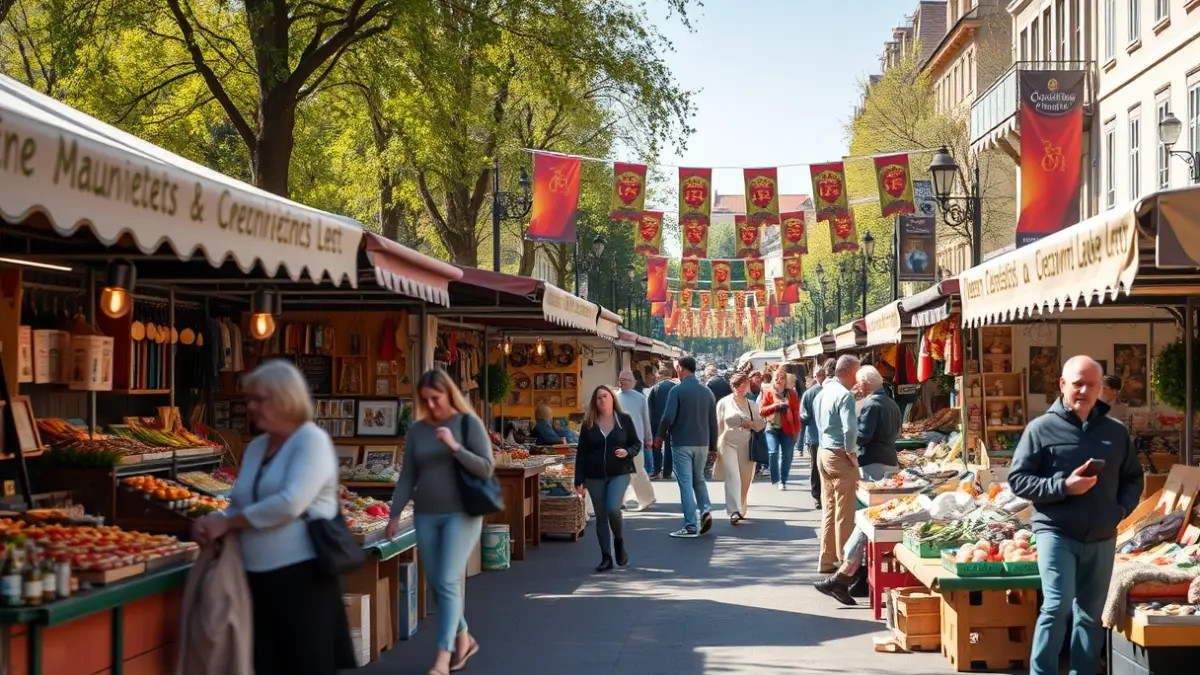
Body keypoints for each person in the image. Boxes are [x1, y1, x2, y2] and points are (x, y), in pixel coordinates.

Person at [192, 360, 354, 675]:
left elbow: (289, 504)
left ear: (285, 398)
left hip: (303, 580)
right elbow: (240, 501)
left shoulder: (312, 442)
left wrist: (228, 523)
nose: (251, 406)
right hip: (254, 579)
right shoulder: (257, 448)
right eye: (249, 399)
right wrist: (214, 518)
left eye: (259, 399)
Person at [1008, 356, 1142, 675]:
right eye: (1077, 383)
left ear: (1101, 388)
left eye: (1091, 384)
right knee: (1057, 605)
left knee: (1090, 615)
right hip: (1056, 532)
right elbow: (1018, 480)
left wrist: (1119, 511)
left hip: (1102, 534)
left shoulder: (1115, 432)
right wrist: (1063, 487)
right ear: (1062, 385)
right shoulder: (1040, 429)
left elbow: (1134, 477)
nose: (1084, 390)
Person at [386, 369, 494, 675]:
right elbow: (408, 476)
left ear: (449, 394)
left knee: (447, 579)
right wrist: (394, 515)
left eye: (436, 398)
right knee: (436, 583)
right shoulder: (418, 431)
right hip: (426, 514)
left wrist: (455, 448)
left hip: (462, 513)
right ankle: (464, 639)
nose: (431, 405)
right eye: (425, 400)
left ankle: (442, 658)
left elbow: (486, 469)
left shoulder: (467, 424)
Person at [813, 365, 902, 604]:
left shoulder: (872, 405)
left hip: (872, 462)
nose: (857, 387)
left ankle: (850, 573)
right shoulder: (891, 403)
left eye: (860, 384)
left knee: (866, 518)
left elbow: (862, 434)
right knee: (873, 518)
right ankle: (855, 576)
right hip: (889, 459)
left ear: (866, 384)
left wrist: (845, 443)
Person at [574, 385, 642, 572]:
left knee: (613, 508)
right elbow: (581, 452)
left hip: (619, 472)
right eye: (598, 398)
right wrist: (578, 479)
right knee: (601, 516)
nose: (601, 400)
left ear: (612, 398)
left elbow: (636, 443)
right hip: (594, 475)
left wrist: (627, 451)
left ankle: (618, 541)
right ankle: (606, 557)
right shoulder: (588, 423)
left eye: (605, 396)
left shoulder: (624, 420)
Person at [655, 355, 719, 538]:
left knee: (685, 482)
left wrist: (660, 436)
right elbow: (712, 422)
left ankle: (690, 525)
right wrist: (713, 447)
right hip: (702, 443)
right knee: (698, 479)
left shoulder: (677, 391)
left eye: (677, 368)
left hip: (681, 442)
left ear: (681, 369)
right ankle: (705, 510)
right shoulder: (707, 391)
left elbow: (668, 417)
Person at [813, 354, 861, 573]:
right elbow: (850, 429)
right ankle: (845, 563)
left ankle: (827, 558)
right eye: (857, 373)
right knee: (845, 510)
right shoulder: (844, 395)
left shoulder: (822, 393)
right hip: (838, 455)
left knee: (830, 508)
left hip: (823, 452)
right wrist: (852, 452)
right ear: (850, 372)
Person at [717, 373, 766, 524]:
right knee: (733, 477)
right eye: (737, 385)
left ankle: (741, 506)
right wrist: (716, 448)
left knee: (745, 479)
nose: (740, 388)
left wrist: (750, 424)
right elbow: (719, 426)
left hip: (747, 445)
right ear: (732, 386)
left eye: (743, 385)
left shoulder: (753, 405)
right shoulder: (723, 403)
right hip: (728, 444)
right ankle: (734, 510)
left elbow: (761, 424)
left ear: (748, 386)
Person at [616, 370, 657, 511]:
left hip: (635, 440)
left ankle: (647, 499)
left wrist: (648, 438)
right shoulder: (614, 397)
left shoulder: (640, 398)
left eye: (625, 379)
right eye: (620, 379)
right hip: (618, 440)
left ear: (632, 381)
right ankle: (619, 500)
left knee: (637, 470)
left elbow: (646, 419)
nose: (622, 381)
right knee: (618, 472)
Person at [758, 368, 801, 491]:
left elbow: (796, 413)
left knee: (787, 455)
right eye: (776, 378)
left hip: (788, 429)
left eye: (782, 378)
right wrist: (775, 406)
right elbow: (761, 411)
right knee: (773, 453)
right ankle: (775, 478)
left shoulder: (792, 394)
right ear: (773, 379)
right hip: (772, 428)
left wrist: (796, 432)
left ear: (785, 380)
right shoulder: (769, 393)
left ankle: (783, 481)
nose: (779, 380)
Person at [799, 362, 828, 506]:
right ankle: (825, 495)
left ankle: (817, 496)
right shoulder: (830, 391)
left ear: (815, 377)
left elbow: (803, 417)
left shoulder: (808, 393)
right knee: (828, 467)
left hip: (814, 436)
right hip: (828, 437)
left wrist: (799, 444)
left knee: (816, 467)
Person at [646, 364, 677, 480]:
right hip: (672, 422)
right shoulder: (676, 387)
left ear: (660, 375)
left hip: (657, 422)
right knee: (669, 446)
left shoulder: (655, 388)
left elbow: (649, 406)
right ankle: (667, 472)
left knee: (657, 446)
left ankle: (657, 470)